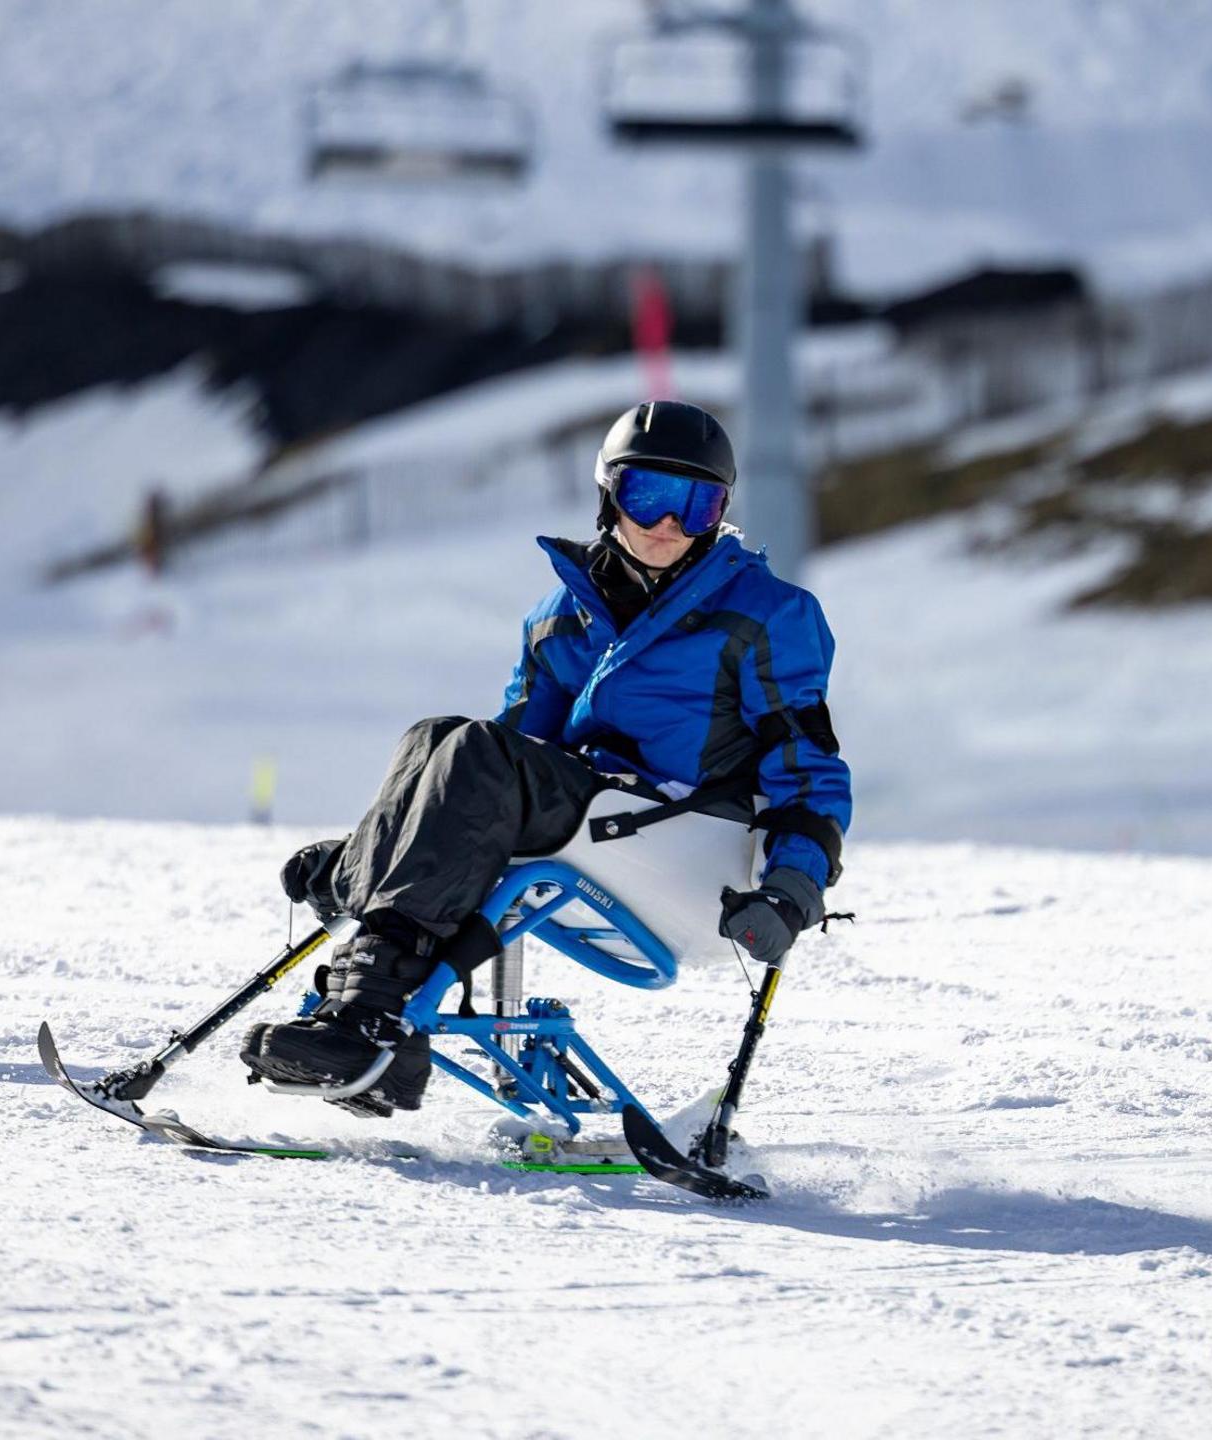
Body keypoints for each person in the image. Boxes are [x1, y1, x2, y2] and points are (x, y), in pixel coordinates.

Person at [239, 401, 852, 1116]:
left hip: (701, 855)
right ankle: (372, 1029)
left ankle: (370, 1022)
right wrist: (371, 851)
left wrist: (792, 888)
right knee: (435, 738)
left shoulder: (767, 614)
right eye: (648, 496)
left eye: (697, 504)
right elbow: (486, 773)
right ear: (608, 496)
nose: (668, 526)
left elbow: (808, 766)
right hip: (604, 823)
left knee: (470, 750)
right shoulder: (561, 615)